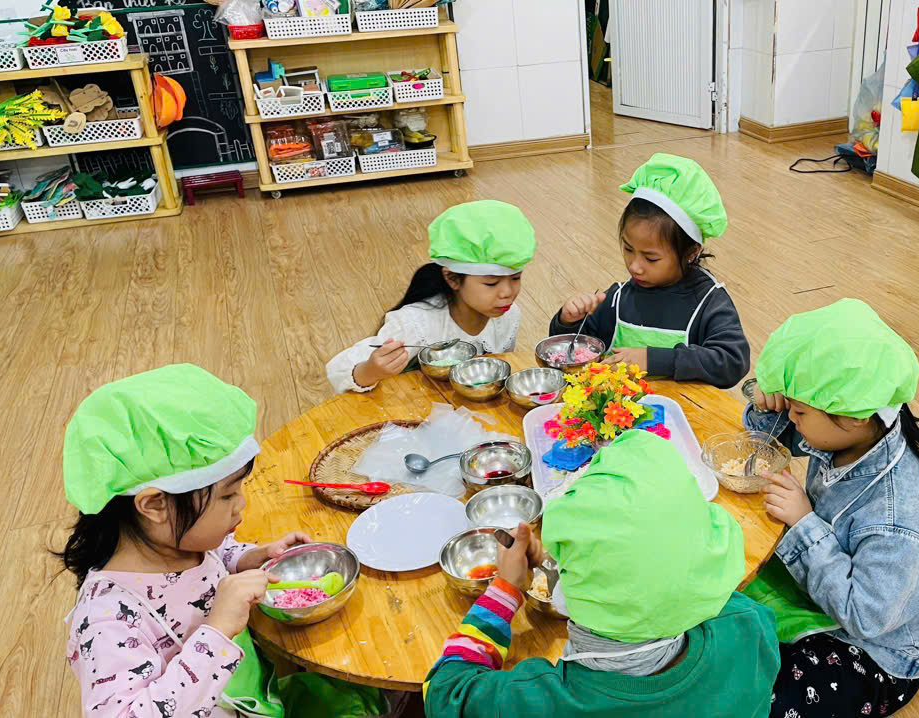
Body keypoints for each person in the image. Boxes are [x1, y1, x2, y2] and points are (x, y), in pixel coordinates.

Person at [59, 364, 387, 718]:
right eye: (228, 495)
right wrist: (217, 630)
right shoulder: (107, 618)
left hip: (254, 696)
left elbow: (215, 554)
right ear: (155, 505)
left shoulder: (179, 542)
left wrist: (252, 557)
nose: (241, 504)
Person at [422, 430, 780, 717]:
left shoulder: (543, 703)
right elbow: (672, 579)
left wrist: (506, 588)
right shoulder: (749, 626)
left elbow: (445, 692)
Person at [742, 299, 919, 718]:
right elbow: (766, 442)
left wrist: (804, 524)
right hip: (830, 592)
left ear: (852, 417)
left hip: (881, 649)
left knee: (764, 699)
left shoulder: (900, 517)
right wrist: (771, 406)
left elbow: (864, 617)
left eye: (799, 410)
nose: (793, 418)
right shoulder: (854, 428)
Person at [548, 153, 749, 389]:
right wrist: (568, 322)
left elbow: (732, 361)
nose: (634, 266)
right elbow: (575, 351)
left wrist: (654, 360)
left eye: (651, 258)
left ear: (691, 252)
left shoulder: (709, 303)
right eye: (628, 249)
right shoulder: (617, 299)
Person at [328, 200, 537, 393]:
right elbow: (338, 370)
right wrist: (371, 370)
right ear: (452, 279)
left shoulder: (509, 315)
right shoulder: (415, 323)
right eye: (491, 283)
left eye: (516, 278)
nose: (507, 293)